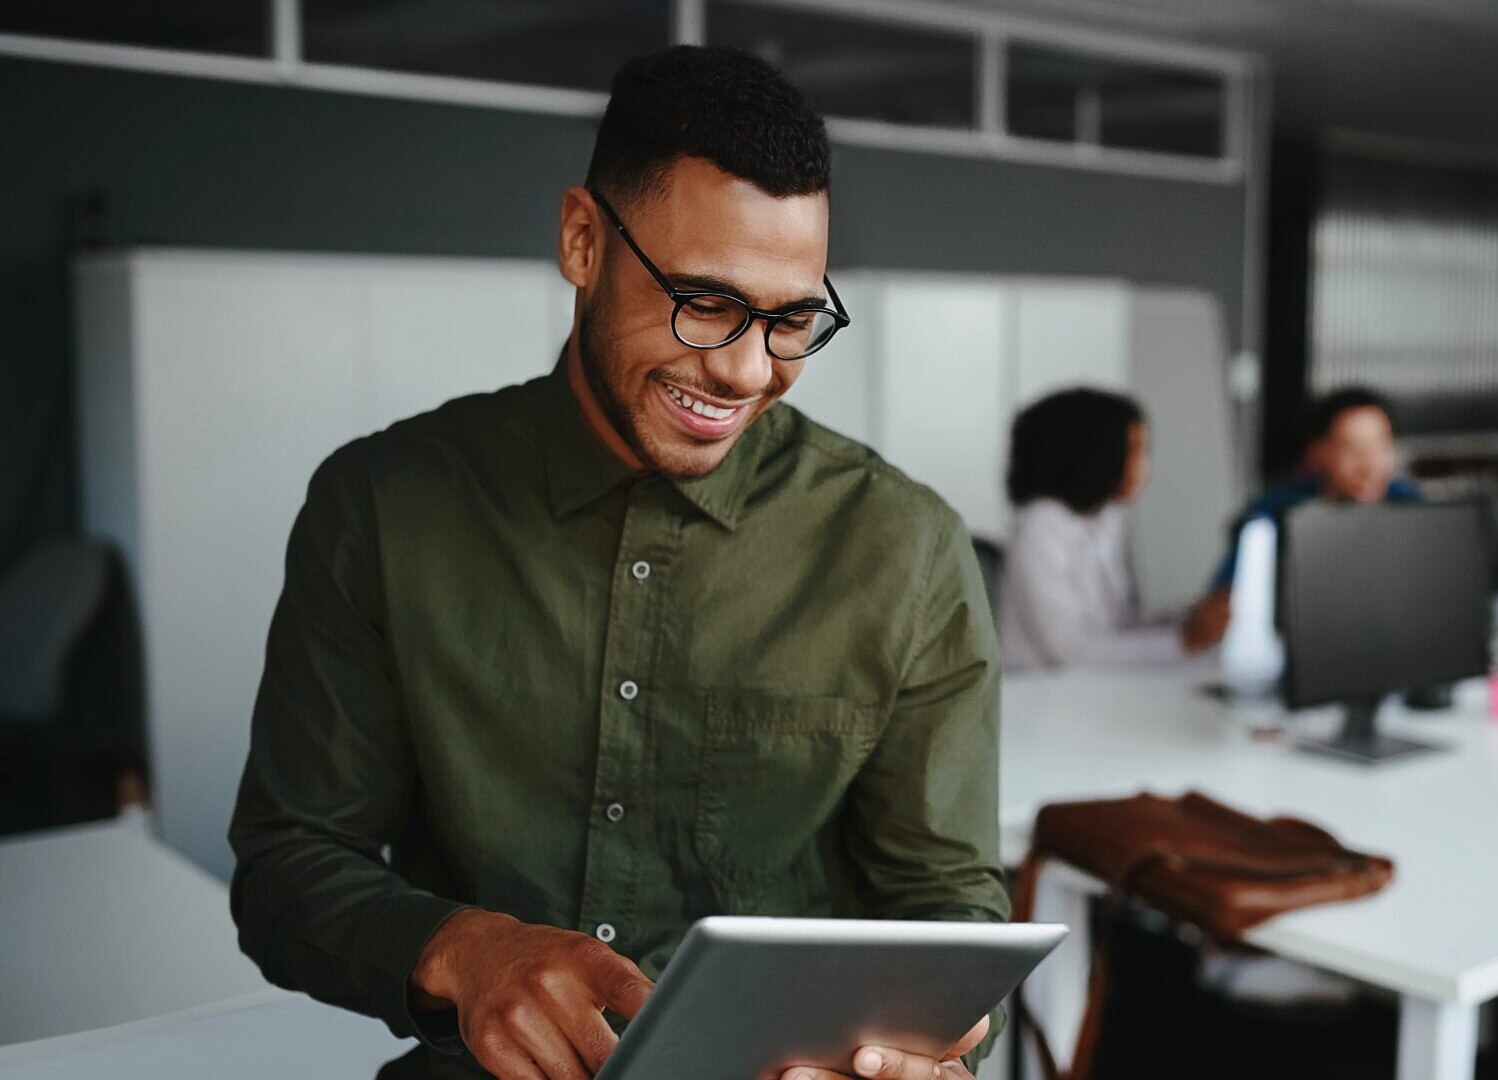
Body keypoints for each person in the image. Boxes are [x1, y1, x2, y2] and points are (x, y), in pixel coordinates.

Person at [229, 47, 1007, 1080]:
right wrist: (463, 950)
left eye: (791, 319)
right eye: (704, 300)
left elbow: (948, 909)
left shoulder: (905, 548)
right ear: (582, 240)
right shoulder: (380, 508)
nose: (743, 369)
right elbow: (286, 869)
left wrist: (935, 1044)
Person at [1181, 386, 1418, 652]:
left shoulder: (1410, 505)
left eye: (1380, 446)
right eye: (1352, 448)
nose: (1369, 464)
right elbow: (1218, 609)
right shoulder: (1275, 514)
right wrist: (1212, 616)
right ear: (1317, 453)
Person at [996, 388, 1187, 670]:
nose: (1144, 466)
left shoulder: (1103, 522)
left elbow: (1115, 629)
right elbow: (1070, 651)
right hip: (1040, 699)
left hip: (1087, 692)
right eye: (1133, 451)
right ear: (1092, 452)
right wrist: (1182, 643)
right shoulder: (1041, 527)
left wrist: (1181, 622)